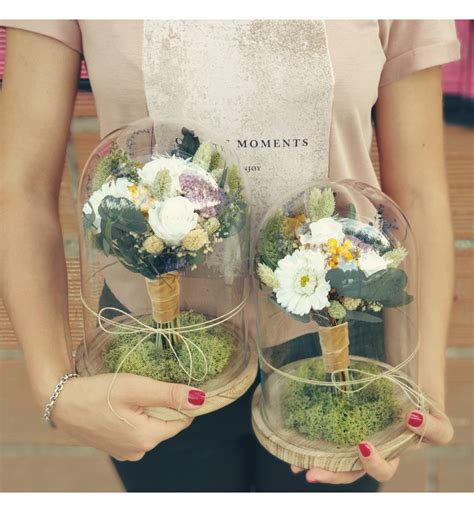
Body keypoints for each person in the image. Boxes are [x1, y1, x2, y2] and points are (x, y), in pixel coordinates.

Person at [0, 20, 459, 492]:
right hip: (151, 349)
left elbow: (419, 191)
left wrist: (423, 391)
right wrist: (55, 391)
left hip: (339, 331)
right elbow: (23, 185)